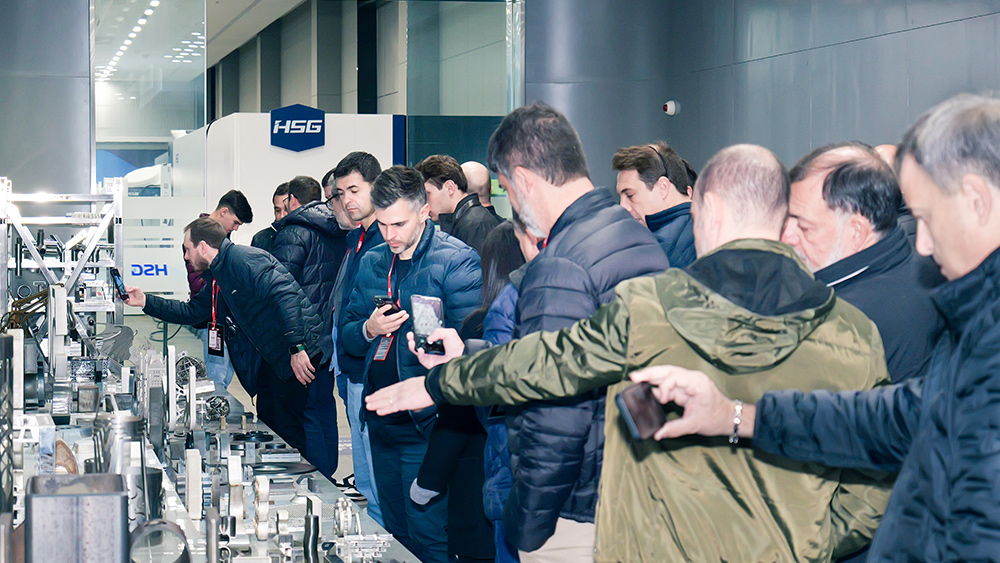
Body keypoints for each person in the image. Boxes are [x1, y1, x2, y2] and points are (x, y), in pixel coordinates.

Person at [367, 144, 893, 563]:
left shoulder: (650, 307)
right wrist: (807, 540)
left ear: (707, 209)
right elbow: (875, 477)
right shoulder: (854, 333)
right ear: (782, 220)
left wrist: (442, 381)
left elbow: (548, 362)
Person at [592, 92, 1000, 563]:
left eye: (925, 217)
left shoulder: (871, 319)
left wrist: (804, 540)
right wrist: (733, 415)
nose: (922, 243)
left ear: (977, 199)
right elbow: (894, 418)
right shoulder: (973, 321)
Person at [416, 103, 671, 561]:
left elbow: (553, 412)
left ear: (524, 180)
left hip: (573, 514)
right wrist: (472, 354)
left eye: (509, 190)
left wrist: (527, 524)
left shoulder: (562, 263)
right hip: (629, 494)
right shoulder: (631, 234)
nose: (513, 206)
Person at [340, 165, 482, 563]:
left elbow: (473, 349)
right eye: (383, 224)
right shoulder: (373, 261)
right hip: (381, 422)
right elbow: (348, 335)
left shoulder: (457, 262)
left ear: (424, 211)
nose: (390, 235)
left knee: (429, 534)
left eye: (399, 224)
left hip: (429, 425)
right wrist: (368, 328)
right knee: (395, 530)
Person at [127, 216, 325, 457]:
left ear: (202, 247)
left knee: (288, 429)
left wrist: (297, 347)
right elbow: (192, 311)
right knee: (273, 426)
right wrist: (145, 301)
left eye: (187, 249)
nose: (186, 257)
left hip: (292, 356)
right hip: (272, 361)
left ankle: (302, 477)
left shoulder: (243, 259)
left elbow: (285, 295)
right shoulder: (220, 274)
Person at [780, 142, 943, 383]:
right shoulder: (926, 269)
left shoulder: (839, 327)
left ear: (857, 232)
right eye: (786, 219)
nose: (786, 236)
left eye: (803, 226)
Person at [413, 222, 527, 563]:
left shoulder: (480, 325)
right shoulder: (543, 320)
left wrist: (428, 479)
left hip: (482, 476)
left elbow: (456, 413)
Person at [271, 174, 349, 479]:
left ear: (292, 200)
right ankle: (329, 471)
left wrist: (293, 343)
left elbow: (279, 290)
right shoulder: (339, 230)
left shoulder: (293, 233)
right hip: (330, 336)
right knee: (324, 406)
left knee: (307, 413)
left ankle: (318, 478)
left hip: (303, 340)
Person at [329, 151, 385, 525]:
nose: (347, 200)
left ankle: (388, 540)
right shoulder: (357, 238)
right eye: (341, 193)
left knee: (379, 478)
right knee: (365, 476)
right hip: (351, 365)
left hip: (373, 369)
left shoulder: (384, 239)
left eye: (354, 190)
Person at [188, 189, 252, 388]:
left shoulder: (223, 238)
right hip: (210, 316)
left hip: (224, 317)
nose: (236, 228)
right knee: (216, 378)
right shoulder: (198, 235)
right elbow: (198, 281)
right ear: (224, 212)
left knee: (224, 374)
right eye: (235, 222)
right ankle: (213, 406)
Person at [613, 142, 696, 267]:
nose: (623, 206)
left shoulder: (661, 250)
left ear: (663, 187)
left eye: (630, 195)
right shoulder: (709, 226)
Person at [417, 154, 502, 254]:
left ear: (450, 188)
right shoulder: (468, 222)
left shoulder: (475, 224)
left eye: (428, 194)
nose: (424, 202)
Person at [251, 182, 289, 253]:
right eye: (278, 211)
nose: (281, 215)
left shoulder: (306, 237)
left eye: (286, 210)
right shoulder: (259, 239)